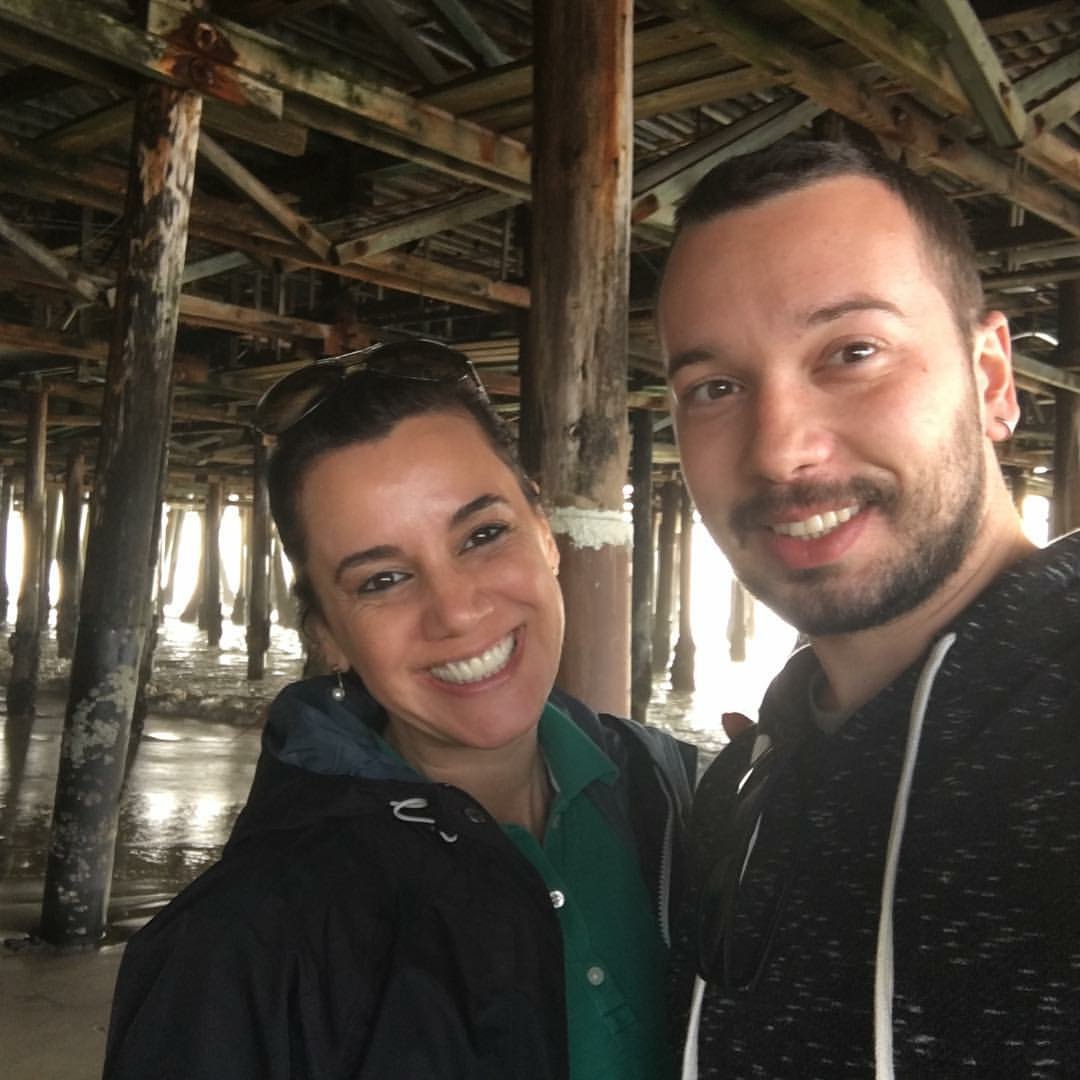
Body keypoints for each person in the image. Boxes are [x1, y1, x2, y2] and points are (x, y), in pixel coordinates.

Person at [104, 339, 696, 1079]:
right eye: (382, 579)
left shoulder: (676, 796)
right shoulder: (236, 949)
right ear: (326, 634)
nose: (456, 611)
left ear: (545, 532)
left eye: (483, 535)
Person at [658, 139, 1080, 1078]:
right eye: (715, 388)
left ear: (992, 379)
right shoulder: (748, 781)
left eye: (853, 352)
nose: (779, 450)